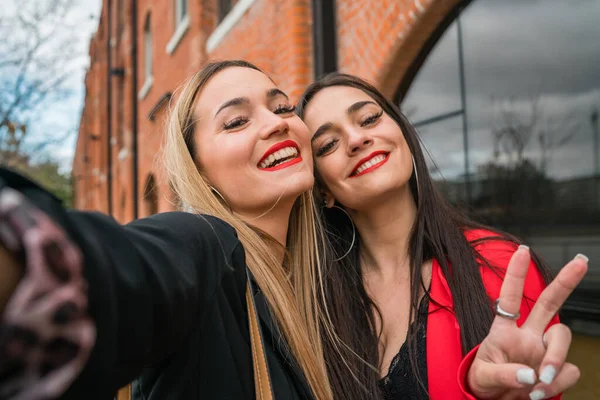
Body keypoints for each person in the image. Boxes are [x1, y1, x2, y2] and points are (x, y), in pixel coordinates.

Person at [0, 60, 335, 400]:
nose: (275, 123)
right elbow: (111, 275)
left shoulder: (332, 277)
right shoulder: (203, 245)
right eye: (236, 122)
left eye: (282, 107)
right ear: (198, 171)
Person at [296, 73, 587, 400]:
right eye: (328, 144)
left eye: (369, 118)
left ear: (402, 134)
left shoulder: (500, 265)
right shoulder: (316, 302)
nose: (356, 139)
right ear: (323, 190)